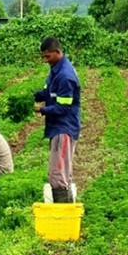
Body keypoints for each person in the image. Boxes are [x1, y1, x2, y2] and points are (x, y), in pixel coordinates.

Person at [34, 37, 81, 202]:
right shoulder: (56, 70)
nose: (45, 60)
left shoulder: (65, 75)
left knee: (58, 172)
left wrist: (42, 109)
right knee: (61, 170)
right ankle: (66, 207)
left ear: (58, 52)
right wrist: (33, 96)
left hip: (64, 128)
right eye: (43, 57)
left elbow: (63, 108)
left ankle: (63, 213)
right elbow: (49, 92)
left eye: (48, 56)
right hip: (58, 127)